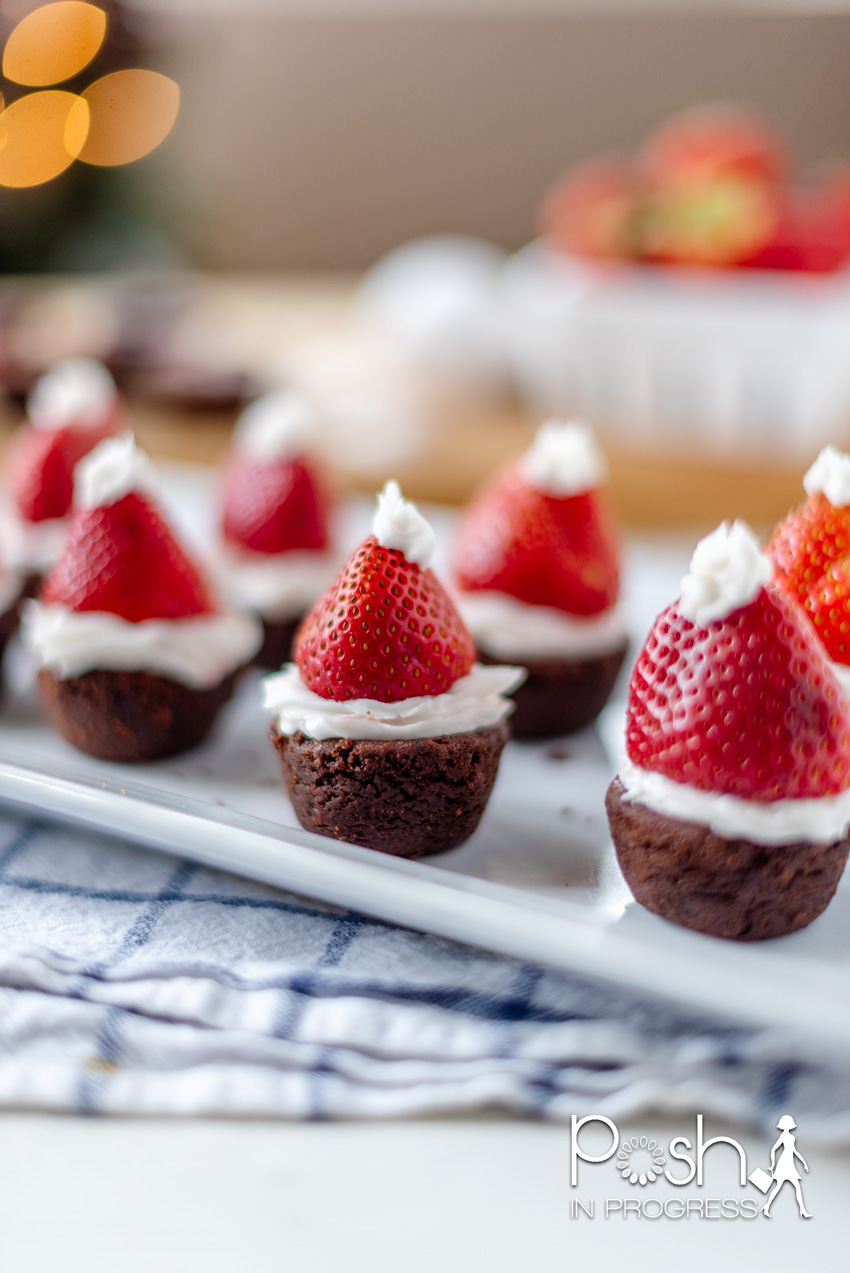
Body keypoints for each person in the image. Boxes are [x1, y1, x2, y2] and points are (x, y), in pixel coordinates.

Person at [762, 1115, 812, 1219]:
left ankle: (802, 1210)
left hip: (790, 1162)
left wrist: (804, 1163)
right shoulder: (783, 1137)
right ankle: (767, 1207)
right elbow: (774, 1150)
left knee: (794, 1188)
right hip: (784, 1163)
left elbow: (794, 1151)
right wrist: (772, 1165)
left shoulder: (792, 1137)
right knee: (780, 1187)